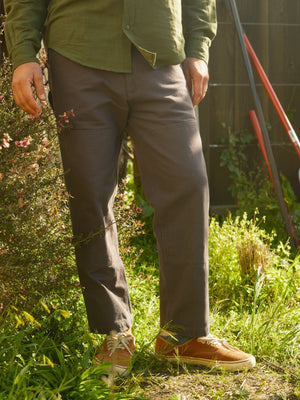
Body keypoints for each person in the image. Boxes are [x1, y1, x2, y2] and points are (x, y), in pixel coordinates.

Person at [4, 0, 255, 377]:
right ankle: (114, 333)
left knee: (188, 183)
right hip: (79, 51)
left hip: (162, 55)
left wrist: (197, 49)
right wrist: (24, 53)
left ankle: (183, 336)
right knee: (89, 194)